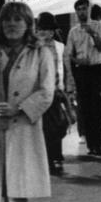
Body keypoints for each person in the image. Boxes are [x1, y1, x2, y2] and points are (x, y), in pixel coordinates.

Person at [0, 2, 53, 202]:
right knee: (5, 190)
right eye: (7, 19)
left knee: (18, 193)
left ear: (28, 24)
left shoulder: (41, 53)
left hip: (24, 130)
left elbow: (47, 92)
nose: (11, 24)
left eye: (18, 19)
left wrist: (17, 109)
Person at [64, 0, 101, 157]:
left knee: (98, 107)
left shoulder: (99, 25)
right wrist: (77, 61)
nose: (82, 12)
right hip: (82, 71)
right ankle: (91, 145)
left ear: (89, 10)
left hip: (98, 69)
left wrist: (93, 34)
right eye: (79, 9)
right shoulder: (73, 31)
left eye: (84, 8)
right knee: (86, 108)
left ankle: (98, 143)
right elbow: (68, 55)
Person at [37, 12, 70, 175]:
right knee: (44, 129)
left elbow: (64, 69)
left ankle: (56, 158)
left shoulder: (60, 47)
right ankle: (50, 160)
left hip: (56, 93)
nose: (43, 32)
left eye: (47, 29)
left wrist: (67, 89)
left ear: (52, 31)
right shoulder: (33, 47)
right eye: (41, 29)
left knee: (58, 126)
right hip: (39, 94)